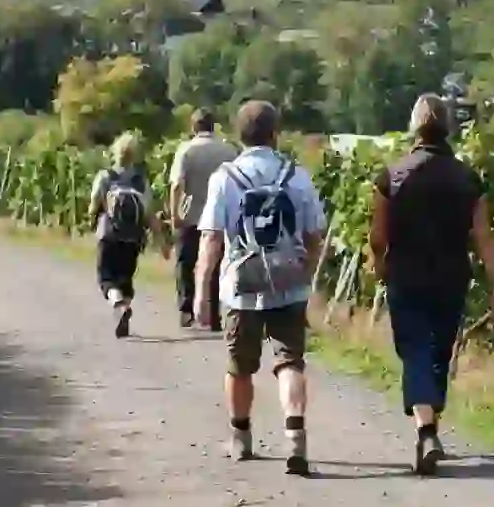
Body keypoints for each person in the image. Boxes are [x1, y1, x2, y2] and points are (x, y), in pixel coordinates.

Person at [368, 93, 494, 476]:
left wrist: (380, 266)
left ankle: (426, 430)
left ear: (414, 128)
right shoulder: (468, 179)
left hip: (406, 275)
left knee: (414, 348)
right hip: (451, 277)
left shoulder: (391, 176)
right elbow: (484, 236)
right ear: (447, 129)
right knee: (438, 353)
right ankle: (429, 426)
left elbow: (378, 237)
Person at [194, 100, 327, 477]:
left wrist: (203, 290)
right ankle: (295, 434)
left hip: (241, 288)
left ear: (240, 135)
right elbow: (314, 236)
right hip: (289, 283)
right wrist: (307, 273)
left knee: (239, 366)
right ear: (275, 134)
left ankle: (240, 436)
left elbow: (211, 241)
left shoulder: (225, 178)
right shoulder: (296, 176)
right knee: (290, 362)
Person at [88, 132, 168, 338]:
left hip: (108, 234)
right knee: (125, 278)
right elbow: (149, 214)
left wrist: (92, 219)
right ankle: (123, 311)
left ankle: (119, 306)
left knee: (106, 277)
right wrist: (162, 241)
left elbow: (94, 205)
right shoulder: (140, 181)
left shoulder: (105, 176)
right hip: (133, 237)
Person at [169, 108, 239, 329]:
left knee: (185, 263)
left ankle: (187, 309)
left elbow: (177, 184)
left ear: (193, 127)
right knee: (217, 266)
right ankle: (215, 314)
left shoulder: (186, 150)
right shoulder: (228, 151)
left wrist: (174, 214)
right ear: (213, 126)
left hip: (191, 214)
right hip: (220, 216)